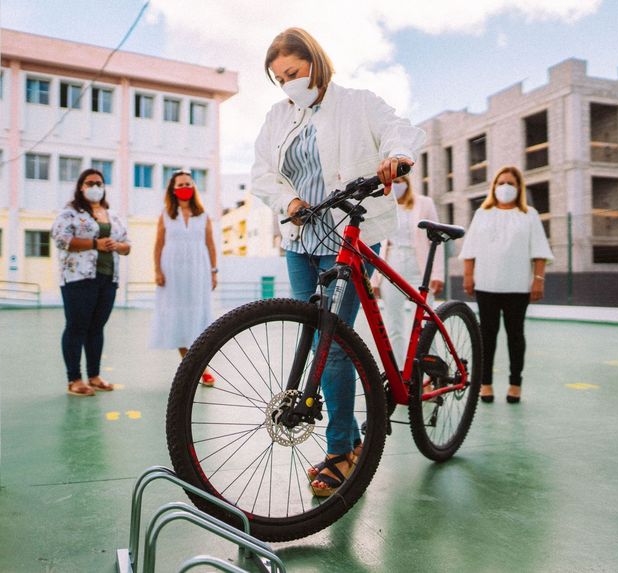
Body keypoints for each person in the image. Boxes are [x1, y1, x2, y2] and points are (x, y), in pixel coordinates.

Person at [251, 27, 425, 496]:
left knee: (332, 340)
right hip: (300, 236)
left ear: (315, 61)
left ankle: (342, 450)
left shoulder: (357, 102)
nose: (288, 84)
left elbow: (398, 130)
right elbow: (263, 172)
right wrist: (288, 201)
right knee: (312, 335)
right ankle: (343, 430)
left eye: (293, 72)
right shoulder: (277, 116)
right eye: (279, 78)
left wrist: (397, 156)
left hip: (348, 231)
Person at [459, 166, 553, 404]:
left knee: (515, 336)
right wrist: (469, 275)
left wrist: (538, 280)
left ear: (519, 188)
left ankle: (514, 384)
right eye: (501, 183)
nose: (505, 187)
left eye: (510, 183)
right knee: (487, 336)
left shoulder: (529, 214)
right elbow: (470, 249)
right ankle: (486, 383)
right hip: (487, 285)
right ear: (494, 187)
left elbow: (539, 251)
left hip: (518, 286)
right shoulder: (482, 213)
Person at [52, 168, 131, 396]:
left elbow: (127, 244)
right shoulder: (70, 213)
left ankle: (94, 376)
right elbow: (60, 238)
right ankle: (74, 379)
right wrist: (95, 244)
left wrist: (119, 246)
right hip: (78, 278)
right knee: (77, 327)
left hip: (107, 278)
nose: (95, 186)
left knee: (96, 328)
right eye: (90, 183)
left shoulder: (112, 215)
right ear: (81, 186)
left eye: (99, 183)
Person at [150, 170, 218, 386]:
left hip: (199, 271)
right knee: (179, 319)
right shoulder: (166, 214)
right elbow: (159, 244)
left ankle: (199, 365)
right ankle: (194, 368)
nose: (184, 188)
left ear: (193, 187)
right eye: (179, 185)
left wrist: (214, 271)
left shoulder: (203, 215)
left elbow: (210, 244)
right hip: (173, 273)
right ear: (172, 189)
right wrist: (158, 271)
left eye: (187, 183)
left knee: (198, 318)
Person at [371, 174, 445, 360]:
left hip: (419, 265)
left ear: (407, 182)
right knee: (393, 324)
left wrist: (437, 273)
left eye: (399, 181)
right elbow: (377, 242)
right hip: (391, 263)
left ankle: (429, 374)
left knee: (424, 322)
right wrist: (375, 279)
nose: (396, 185)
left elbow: (436, 240)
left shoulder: (425, 203)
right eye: (392, 182)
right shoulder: (384, 206)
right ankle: (400, 372)